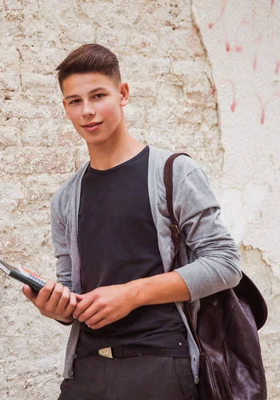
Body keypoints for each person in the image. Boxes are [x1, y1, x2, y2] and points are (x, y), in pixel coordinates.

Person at [21, 44, 242, 399]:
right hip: (86, 369)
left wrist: (131, 294)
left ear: (123, 94)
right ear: (65, 108)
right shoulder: (65, 198)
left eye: (97, 96)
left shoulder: (174, 173)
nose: (88, 111)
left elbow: (225, 263)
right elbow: (72, 286)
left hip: (162, 365)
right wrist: (57, 307)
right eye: (75, 101)